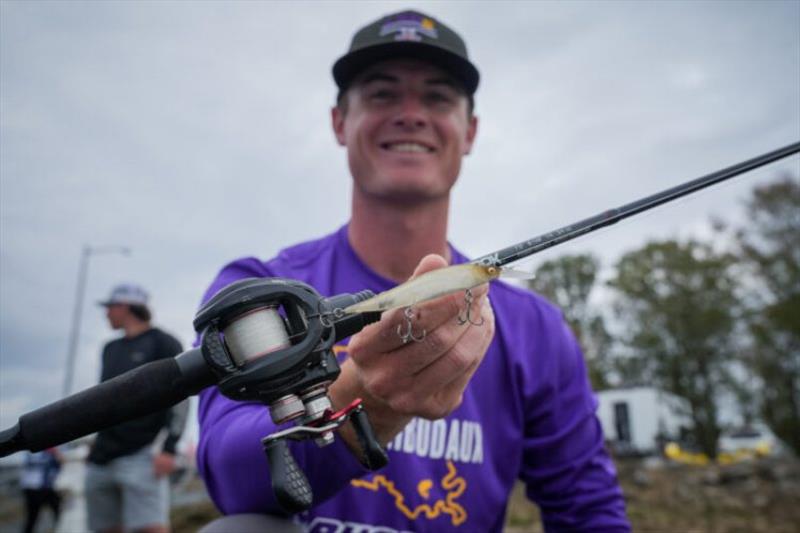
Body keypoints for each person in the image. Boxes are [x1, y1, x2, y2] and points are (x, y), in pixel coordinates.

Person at [197, 10, 630, 532]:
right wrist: (363, 403)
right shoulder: (261, 293)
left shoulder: (536, 328)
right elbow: (229, 475)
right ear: (340, 122)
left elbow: (587, 510)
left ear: (469, 131)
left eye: (438, 97)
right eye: (381, 94)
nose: (410, 114)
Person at [85, 284, 188, 533]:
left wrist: (170, 448)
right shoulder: (110, 349)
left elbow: (181, 396)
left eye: (110, 307)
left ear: (125, 307)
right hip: (101, 457)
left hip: (143, 453)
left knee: (149, 528)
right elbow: (102, 400)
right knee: (105, 528)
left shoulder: (164, 342)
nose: (106, 314)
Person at [20, 448, 62, 533]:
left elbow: (60, 463)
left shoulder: (51, 452)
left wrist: (55, 454)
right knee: (32, 517)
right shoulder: (33, 452)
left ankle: (62, 528)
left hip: (47, 488)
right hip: (33, 489)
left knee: (59, 512)